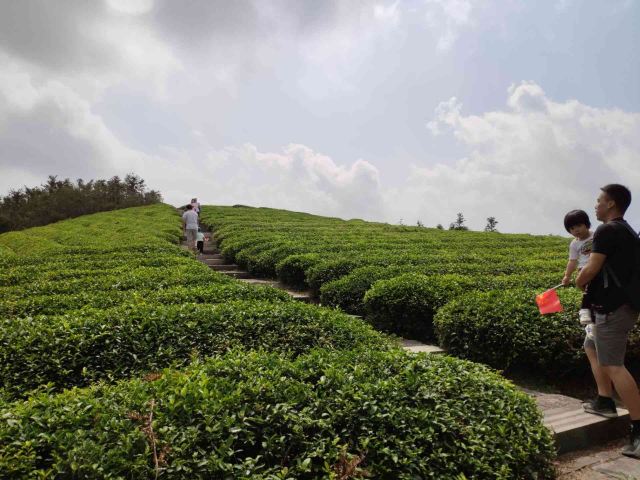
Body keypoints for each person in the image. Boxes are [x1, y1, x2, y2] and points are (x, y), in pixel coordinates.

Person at [577, 184, 640, 458]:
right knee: (591, 346)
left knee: (614, 365)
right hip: (616, 305)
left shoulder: (607, 230)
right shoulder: (627, 231)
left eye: (599, 200)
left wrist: (580, 280)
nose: (596, 205)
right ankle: (604, 400)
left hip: (613, 308)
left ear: (611, 204)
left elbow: (592, 267)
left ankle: (638, 431)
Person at [561, 210, 595, 328]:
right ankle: (584, 309)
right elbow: (572, 261)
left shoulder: (596, 235)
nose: (576, 230)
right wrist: (567, 276)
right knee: (589, 287)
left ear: (586, 224)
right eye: (572, 228)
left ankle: (591, 316)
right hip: (583, 269)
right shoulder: (574, 244)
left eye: (579, 226)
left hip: (597, 265)